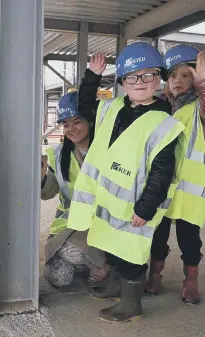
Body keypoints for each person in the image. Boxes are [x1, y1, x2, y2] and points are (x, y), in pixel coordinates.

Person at [67, 43, 186, 323]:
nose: (140, 82)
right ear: (122, 82)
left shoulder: (163, 122)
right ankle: (115, 286)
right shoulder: (113, 107)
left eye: (148, 75)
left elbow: (162, 170)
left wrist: (146, 208)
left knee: (132, 254)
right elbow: (85, 106)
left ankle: (131, 304)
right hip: (110, 199)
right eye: (132, 76)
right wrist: (92, 76)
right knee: (112, 246)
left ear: (159, 79)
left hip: (136, 204)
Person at [146, 44, 205, 305]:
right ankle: (155, 273)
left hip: (188, 194)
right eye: (173, 76)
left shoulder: (202, 110)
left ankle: (190, 280)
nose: (178, 81)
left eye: (186, 75)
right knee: (157, 237)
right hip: (161, 188)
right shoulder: (160, 109)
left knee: (189, 241)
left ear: (196, 80)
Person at [41, 92, 107, 288]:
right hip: (70, 224)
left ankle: (103, 265)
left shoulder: (108, 152)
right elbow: (48, 194)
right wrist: (42, 176)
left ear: (91, 121)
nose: (71, 129)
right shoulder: (57, 155)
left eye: (77, 121)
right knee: (58, 279)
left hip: (103, 225)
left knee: (74, 252)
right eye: (66, 124)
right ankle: (89, 259)